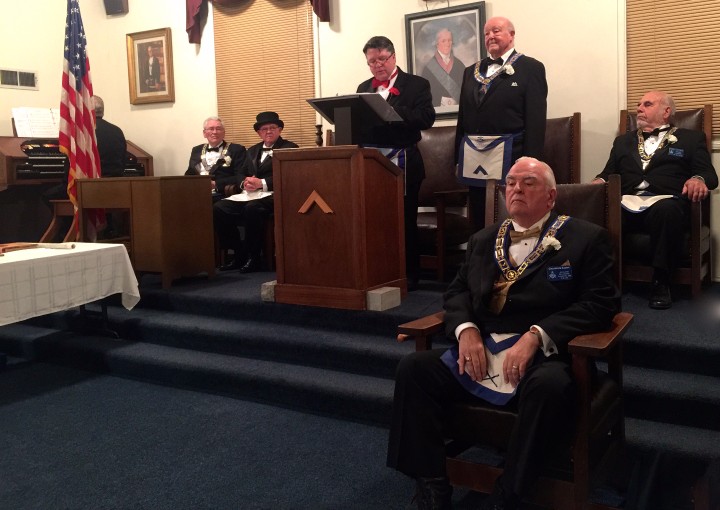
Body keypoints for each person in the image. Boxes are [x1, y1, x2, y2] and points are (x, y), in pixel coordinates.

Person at [387, 157, 620, 510]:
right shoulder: (482, 240)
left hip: (545, 354)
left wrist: (537, 335)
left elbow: (601, 303)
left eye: (529, 182)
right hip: (483, 348)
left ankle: (510, 493)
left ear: (551, 197)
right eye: (510, 183)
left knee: (549, 387)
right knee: (414, 370)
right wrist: (466, 331)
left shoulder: (586, 238)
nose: (516, 189)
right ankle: (432, 483)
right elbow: (457, 292)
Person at [593, 90, 718, 309]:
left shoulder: (691, 139)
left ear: (666, 112)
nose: (639, 109)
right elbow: (607, 174)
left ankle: (661, 280)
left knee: (666, 209)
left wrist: (697, 179)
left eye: (647, 104)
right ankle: (601, 281)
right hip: (626, 202)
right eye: (639, 104)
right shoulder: (622, 142)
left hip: (667, 204)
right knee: (601, 210)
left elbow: (709, 175)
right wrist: (595, 183)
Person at [356, 35, 436, 290]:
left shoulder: (417, 84)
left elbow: (426, 118)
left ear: (393, 57)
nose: (378, 65)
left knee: (404, 219)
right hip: (371, 162)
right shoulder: (363, 88)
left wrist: (390, 110)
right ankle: (378, 270)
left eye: (382, 59)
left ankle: (409, 274)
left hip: (405, 161)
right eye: (372, 61)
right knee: (374, 219)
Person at [455, 16, 547, 229]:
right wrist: (457, 159)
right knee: (478, 219)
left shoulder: (531, 68)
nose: (490, 36)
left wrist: (530, 162)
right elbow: (463, 117)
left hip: (513, 158)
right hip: (474, 157)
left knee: (510, 219)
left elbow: (536, 119)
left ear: (511, 35)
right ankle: (480, 251)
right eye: (486, 33)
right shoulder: (470, 71)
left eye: (496, 31)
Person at [213, 111, 298, 273]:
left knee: (252, 209)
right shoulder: (252, 150)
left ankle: (254, 257)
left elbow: (290, 175)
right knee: (219, 208)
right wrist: (244, 182)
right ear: (259, 132)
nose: (268, 131)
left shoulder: (290, 148)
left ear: (279, 130)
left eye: (272, 128)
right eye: (264, 129)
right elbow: (240, 172)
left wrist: (262, 183)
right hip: (250, 194)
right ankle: (238, 253)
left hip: (275, 195)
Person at [185, 117, 246, 197]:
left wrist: (216, 184)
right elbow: (190, 174)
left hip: (221, 193)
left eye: (218, 129)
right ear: (204, 133)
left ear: (224, 132)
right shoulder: (196, 150)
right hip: (197, 191)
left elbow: (240, 176)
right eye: (211, 129)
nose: (214, 132)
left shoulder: (237, 149)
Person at [421, 28, 466, 107]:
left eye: (449, 40)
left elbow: (465, 90)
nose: (447, 44)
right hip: (436, 112)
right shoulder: (428, 68)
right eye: (443, 41)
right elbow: (424, 94)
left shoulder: (460, 65)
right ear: (437, 44)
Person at [92, 95, 126, 178]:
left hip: (90, 182)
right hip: (116, 180)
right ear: (102, 112)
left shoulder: (86, 133)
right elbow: (123, 159)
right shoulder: (117, 131)